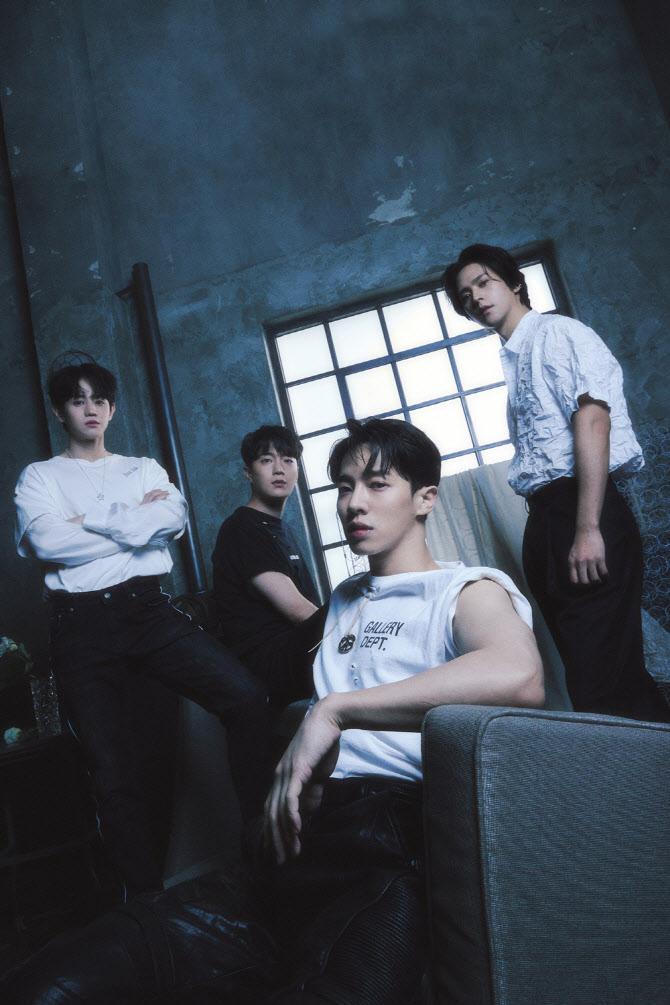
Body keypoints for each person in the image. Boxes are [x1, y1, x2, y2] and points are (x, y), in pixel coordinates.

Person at [3, 417, 544, 1005]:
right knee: (46, 986)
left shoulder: (466, 590)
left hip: (391, 855)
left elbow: (518, 676)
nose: (353, 503)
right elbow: (261, 684)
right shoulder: (343, 601)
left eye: (376, 484)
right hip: (290, 851)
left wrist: (335, 712)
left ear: (424, 498)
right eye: (343, 487)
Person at [13, 358, 276, 898]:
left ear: (112, 409)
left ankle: (262, 852)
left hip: (148, 612)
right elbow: (46, 542)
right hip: (79, 626)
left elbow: (172, 519)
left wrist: (86, 521)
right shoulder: (40, 476)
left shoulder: (143, 468)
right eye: (78, 400)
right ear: (61, 411)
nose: (91, 409)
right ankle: (148, 910)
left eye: (100, 400)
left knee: (247, 698)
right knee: (113, 774)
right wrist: (134, 521)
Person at [443, 244, 669, 721]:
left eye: (483, 282)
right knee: (595, 676)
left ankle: (640, 767)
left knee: (602, 682)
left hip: (584, 512)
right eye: (464, 296)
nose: (475, 298)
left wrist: (588, 528)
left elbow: (593, 421)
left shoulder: (558, 333)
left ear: (514, 282)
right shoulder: (516, 359)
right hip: (547, 521)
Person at [212, 425, 326, 705]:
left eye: (288, 460)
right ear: (248, 473)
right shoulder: (241, 528)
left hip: (296, 650)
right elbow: (298, 611)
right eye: (266, 460)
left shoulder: (281, 529)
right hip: (270, 664)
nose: (279, 470)